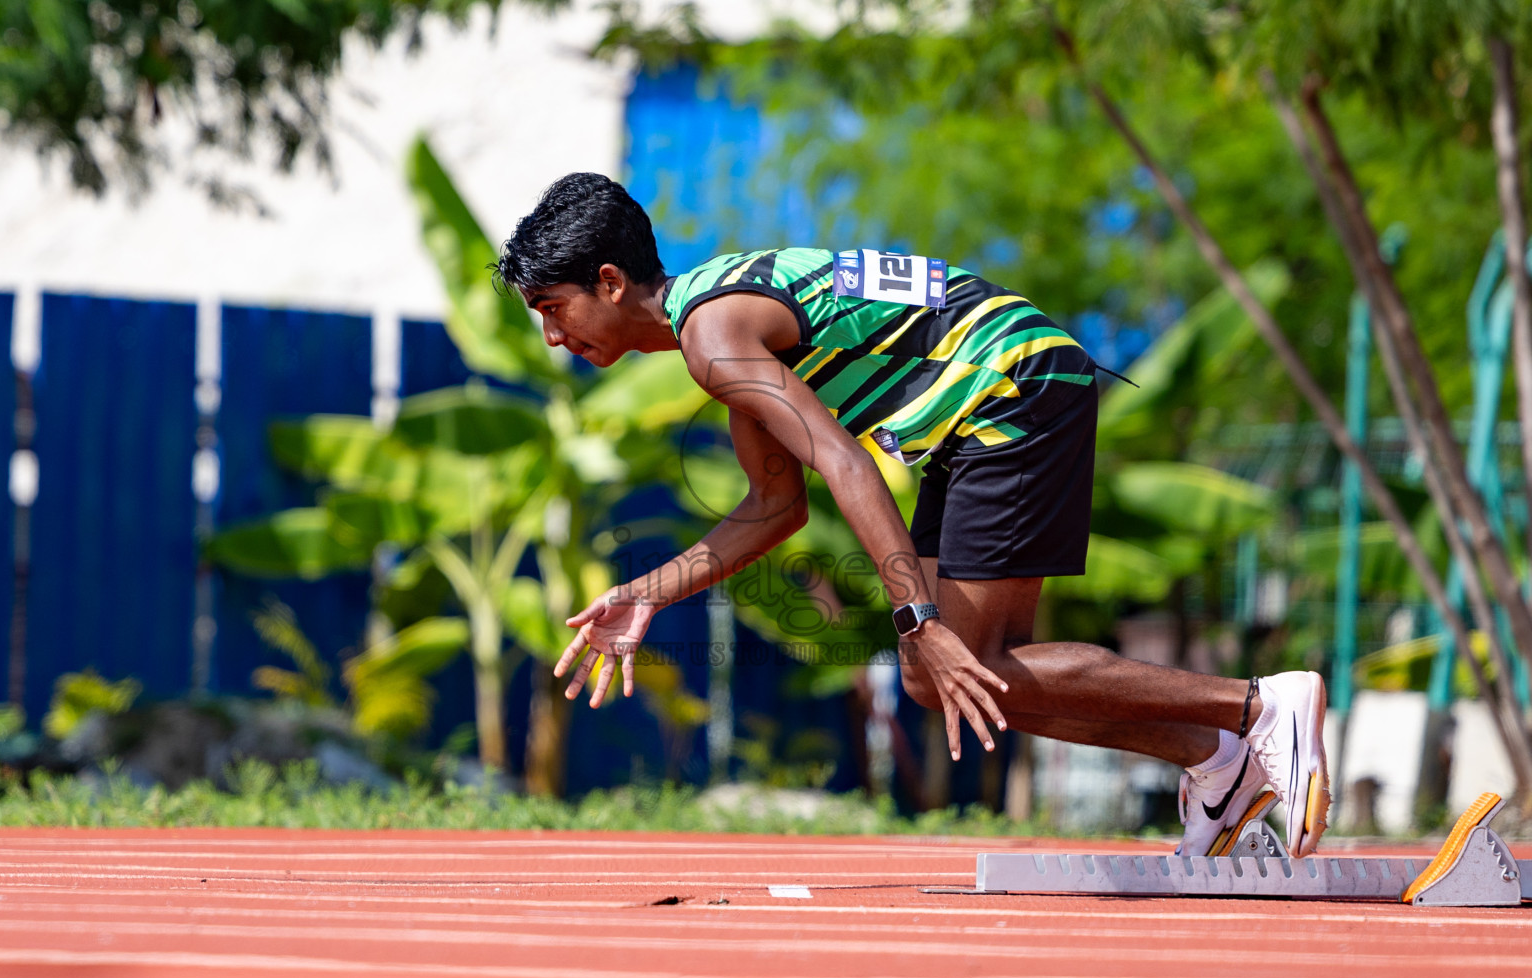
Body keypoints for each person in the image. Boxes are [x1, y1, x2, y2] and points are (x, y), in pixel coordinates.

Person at [497, 171, 1330, 858]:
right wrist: (649, 593)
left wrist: (916, 614)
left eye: (553, 309)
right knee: (939, 678)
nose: (552, 339)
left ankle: (1257, 706)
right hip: (991, 398)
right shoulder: (719, 320)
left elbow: (844, 461)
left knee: (963, 658)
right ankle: (1217, 761)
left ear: (609, 283)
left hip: (1010, 387)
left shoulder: (717, 339)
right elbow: (776, 507)